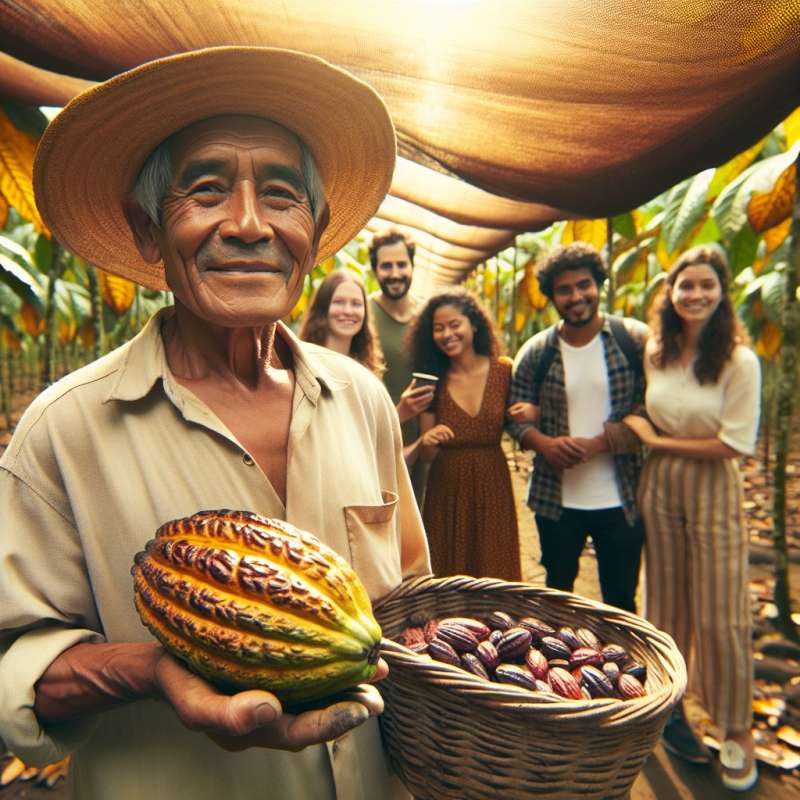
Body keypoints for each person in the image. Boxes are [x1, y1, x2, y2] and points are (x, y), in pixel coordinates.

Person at [0, 47, 430, 800]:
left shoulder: (363, 400)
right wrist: (154, 670)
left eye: (281, 194)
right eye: (205, 191)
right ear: (146, 231)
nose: (247, 224)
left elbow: (412, 596)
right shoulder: (62, 433)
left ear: (317, 228)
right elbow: (13, 670)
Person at [623, 245, 760, 792]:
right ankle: (672, 709)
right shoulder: (655, 349)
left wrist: (657, 439)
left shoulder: (739, 360)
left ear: (722, 292)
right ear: (670, 292)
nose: (696, 294)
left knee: (721, 610)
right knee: (668, 601)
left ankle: (737, 729)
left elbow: (734, 443)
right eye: (686, 285)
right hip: (660, 484)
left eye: (707, 285)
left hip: (710, 483)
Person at [507, 242, 648, 612]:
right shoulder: (537, 351)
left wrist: (604, 441)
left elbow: (656, 408)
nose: (576, 296)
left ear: (598, 284)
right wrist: (544, 443)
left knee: (620, 599)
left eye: (583, 285)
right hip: (557, 500)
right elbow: (512, 416)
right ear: (552, 296)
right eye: (564, 290)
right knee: (558, 596)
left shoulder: (631, 340)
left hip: (622, 497)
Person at [407, 287, 521, 581]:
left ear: (473, 324)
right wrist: (426, 441)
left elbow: (518, 425)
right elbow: (429, 454)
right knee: (450, 567)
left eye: (454, 325)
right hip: (447, 487)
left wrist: (530, 414)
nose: (447, 334)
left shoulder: (503, 371)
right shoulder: (432, 381)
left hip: (492, 481)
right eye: (438, 329)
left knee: (495, 562)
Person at [368, 230, 433, 501]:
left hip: (426, 442)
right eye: (386, 266)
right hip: (378, 442)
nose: (395, 273)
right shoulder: (364, 314)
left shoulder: (428, 316)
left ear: (412, 266)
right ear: (374, 270)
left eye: (401, 264)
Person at [298, 269, 384, 375]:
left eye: (356, 303)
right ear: (322, 307)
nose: (348, 311)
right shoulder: (304, 364)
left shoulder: (368, 369)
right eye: (339, 302)